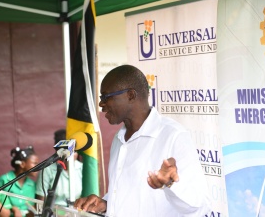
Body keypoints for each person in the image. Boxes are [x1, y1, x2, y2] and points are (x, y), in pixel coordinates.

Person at [74, 65, 211, 217]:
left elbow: (200, 206)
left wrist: (170, 184)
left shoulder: (173, 136)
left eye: (106, 97)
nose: (101, 104)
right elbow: (132, 197)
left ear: (131, 95)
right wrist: (106, 204)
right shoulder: (119, 139)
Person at [35, 129, 83, 207]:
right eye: (67, 151)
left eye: (74, 152)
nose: (71, 155)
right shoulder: (47, 170)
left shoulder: (82, 168)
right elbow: (40, 201)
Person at [0, 146, 39, 216]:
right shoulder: (4, 180)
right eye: (34, 163)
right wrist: (13, 209)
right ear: (22, 164)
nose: (38, 166)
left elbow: (33, 207)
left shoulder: (32, 184)